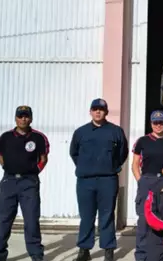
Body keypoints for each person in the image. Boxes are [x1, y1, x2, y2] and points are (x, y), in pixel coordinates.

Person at [70, 98, 129, 261]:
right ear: (90, 111)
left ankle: (108, 251)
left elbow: (122, 153)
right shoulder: (81, 132)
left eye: (101, 109)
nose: (98, 112)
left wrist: (111, 166)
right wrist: (85, 167)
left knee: (107, 216)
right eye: (95, 109)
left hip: (107, 180)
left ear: (106, 112)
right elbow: (74, 153)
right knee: (86, 216)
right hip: (85, 181)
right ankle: (84, 251)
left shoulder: (116, 131)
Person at [0, 105, 50, 261]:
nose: (23, 119)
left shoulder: (38, 138)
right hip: (9, 182)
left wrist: (33, 171)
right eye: (20, 116)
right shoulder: (5, 137)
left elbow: (43, 159)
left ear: (31, 118)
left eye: (26, 116)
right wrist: (10, 169)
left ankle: (36, 254)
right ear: (15, 118)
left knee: (31, 220)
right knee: (4, 219)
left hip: (29, 183)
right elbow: (1, 158)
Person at [133, 110, 163, 261]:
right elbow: (135, 165)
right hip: (147, 181)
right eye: (155, 122)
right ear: (151, 123)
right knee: (144, 220)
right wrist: (141, 181)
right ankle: (141, 256)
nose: (158, 125)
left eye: (161, 122)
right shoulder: (142, 141)